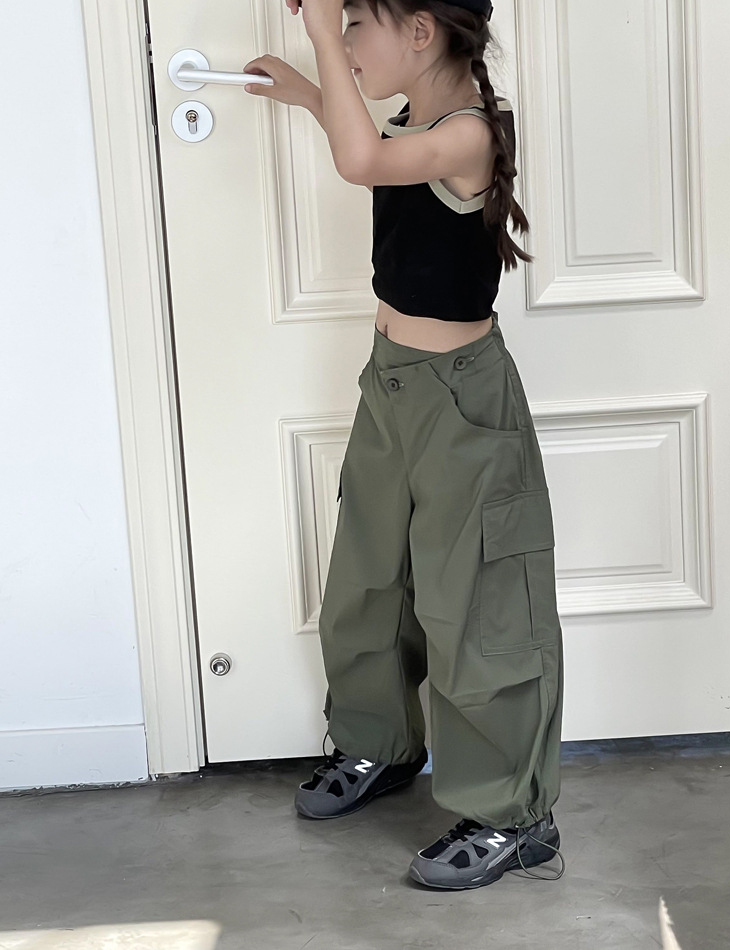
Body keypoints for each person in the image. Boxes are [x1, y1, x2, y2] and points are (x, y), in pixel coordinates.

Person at [244, 0, 565, 890]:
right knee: (369, 578)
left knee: (476, 607)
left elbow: (363, 163)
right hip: (390, 384)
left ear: (420, 32)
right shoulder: (414, 119)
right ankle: (380, 744)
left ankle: (513, 816)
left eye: (357, 26)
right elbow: (372, 148)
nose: (347, 43)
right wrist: (311, 90)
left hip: (463, 406)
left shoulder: (470, 134)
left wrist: (318, 41)